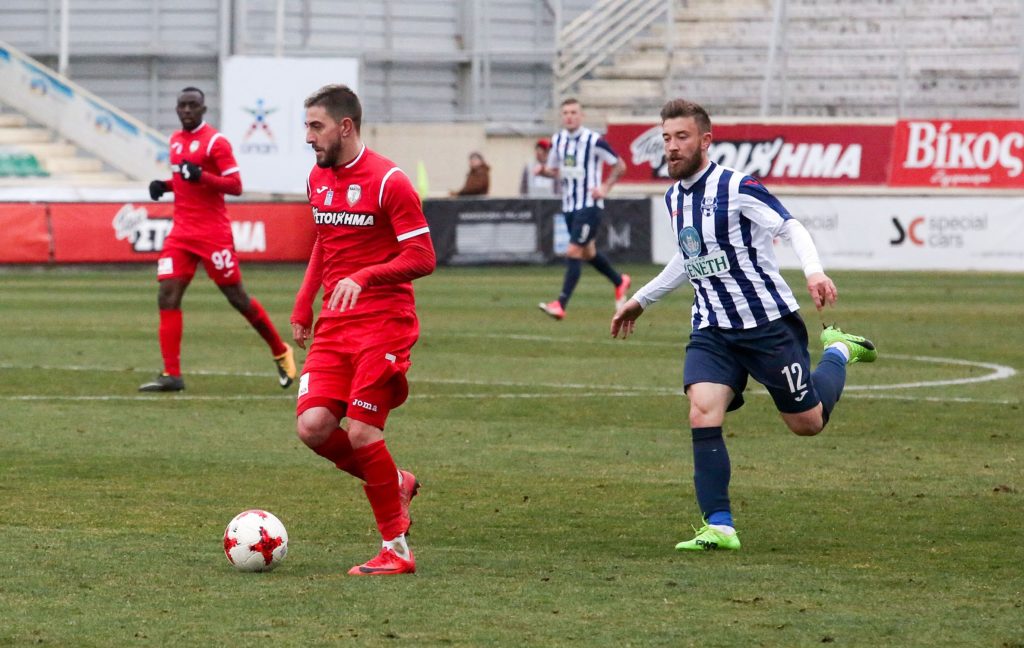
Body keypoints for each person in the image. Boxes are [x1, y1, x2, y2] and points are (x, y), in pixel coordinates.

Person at [610, 98, 877, 552]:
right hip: (712, 329)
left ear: (705, 141)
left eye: (681, 137)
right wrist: (641, 300)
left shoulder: (737, 187)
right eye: (667, 138)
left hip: (767, 325)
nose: (671, 147)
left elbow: (791, 227)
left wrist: (814, 271)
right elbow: (688, 257)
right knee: (702, 411)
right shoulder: (675, 197)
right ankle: (719, 525)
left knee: (807, 423)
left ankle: (838, 350)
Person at [291, 84, 436, 576]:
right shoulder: (317, 177)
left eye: (316, 127)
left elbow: (423, 257)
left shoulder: (389, 181)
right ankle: (395, 481)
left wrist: (365, 276)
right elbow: (325, 241)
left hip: (384, 323)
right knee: (313, 427)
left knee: (361, 431)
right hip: (336, 322)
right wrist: (304, 303)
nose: (308, 137)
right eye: (307, 126)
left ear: (345, 126)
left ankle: (397, 550)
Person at [140, 86, 295, 392]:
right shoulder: (174, 140)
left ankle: (281, 351)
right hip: (181, 233)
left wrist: (202, 176)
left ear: (203, 109)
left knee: (237, 298)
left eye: (192, 105)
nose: (187, 110)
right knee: (167, 295)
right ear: (176, 109)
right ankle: (172, 375)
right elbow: (185, 179)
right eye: (182, 105)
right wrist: (165, 185)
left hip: (213, 234)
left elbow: (235, 185)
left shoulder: (215, 142)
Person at [538, 98, 630, 320]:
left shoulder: (593, 140)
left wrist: (605, 188)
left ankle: (560, 304)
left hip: (589, 205)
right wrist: (543, 171)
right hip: (569, 205)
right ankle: (619, 281)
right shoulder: (558, 141)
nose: (569, 116)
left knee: (573, 251)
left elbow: (620, 165)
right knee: (588, 253)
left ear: (581, 116)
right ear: (562, 116)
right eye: (566, 113)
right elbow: (555, 170)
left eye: (574, 112)